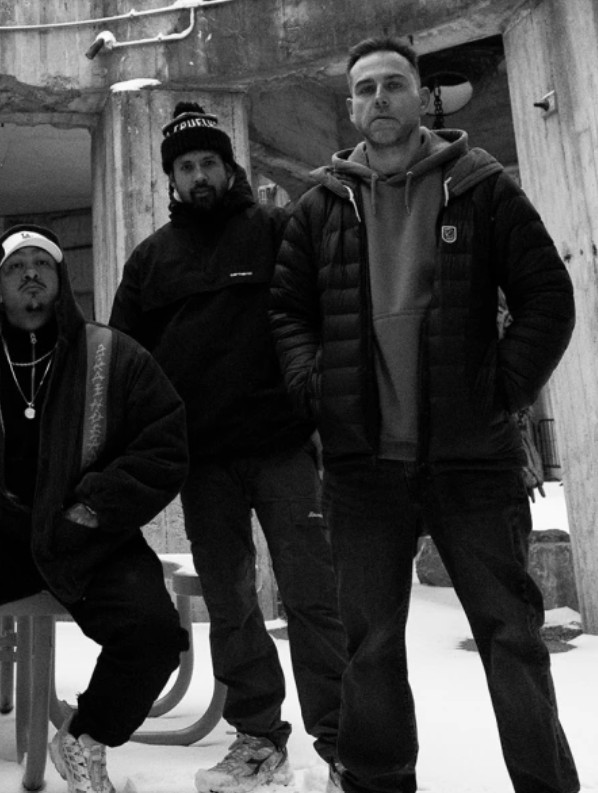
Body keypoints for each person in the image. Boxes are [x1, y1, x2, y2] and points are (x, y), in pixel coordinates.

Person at [269, 35, 579, 793]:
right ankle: (380, 782)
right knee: (369, 646)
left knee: (511, 638)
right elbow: (287, 313)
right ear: (351, 107)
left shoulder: (482, 187)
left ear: (420, 97)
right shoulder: (319, 209)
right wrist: (316, 388)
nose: (379, 98)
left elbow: (547, 296)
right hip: (362, 466)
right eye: (365, 88)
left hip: (473, 462)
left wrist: (499, 389)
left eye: (394, 84)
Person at [0, 225, 190, 793]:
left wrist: (96, 506)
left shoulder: (113, 355)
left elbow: (164, 442)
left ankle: (85, 737)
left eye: (43, 264)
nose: (30, 274)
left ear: (62, 281)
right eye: (15, 267)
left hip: (87, 537)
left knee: (154, 632)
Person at [109, 102, 347, 793]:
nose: (198, 175)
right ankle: (257, 738)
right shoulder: (151, 260)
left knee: (313, 595)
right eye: (186, 166)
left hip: (282, 449)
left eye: (208, 162)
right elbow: (125, 361)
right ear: (172, 178)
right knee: (231, 603)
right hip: (203, 462)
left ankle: (344, 742)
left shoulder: (277, 231)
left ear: (228, 165)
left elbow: (321, 313)